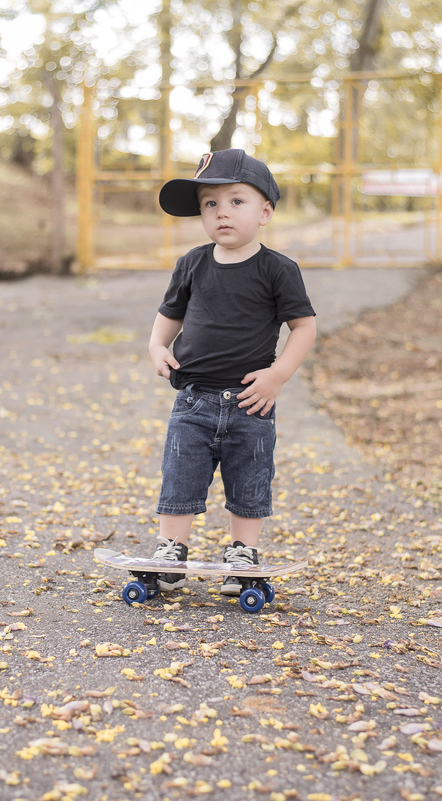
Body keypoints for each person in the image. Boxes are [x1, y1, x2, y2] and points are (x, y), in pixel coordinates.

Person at [147, 148, 317, 596]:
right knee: (180, 477)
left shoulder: (278, 269)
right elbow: (171, 311)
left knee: (249, 480)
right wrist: (156, 344)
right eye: (210, 204)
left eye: (236, 201)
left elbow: (304, 326)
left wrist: (278, 374)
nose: (222, 212)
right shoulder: (193, 263)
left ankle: (242, 551)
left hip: (250, 401)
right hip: (193, 399)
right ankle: (170, 551)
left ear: (265, 212)